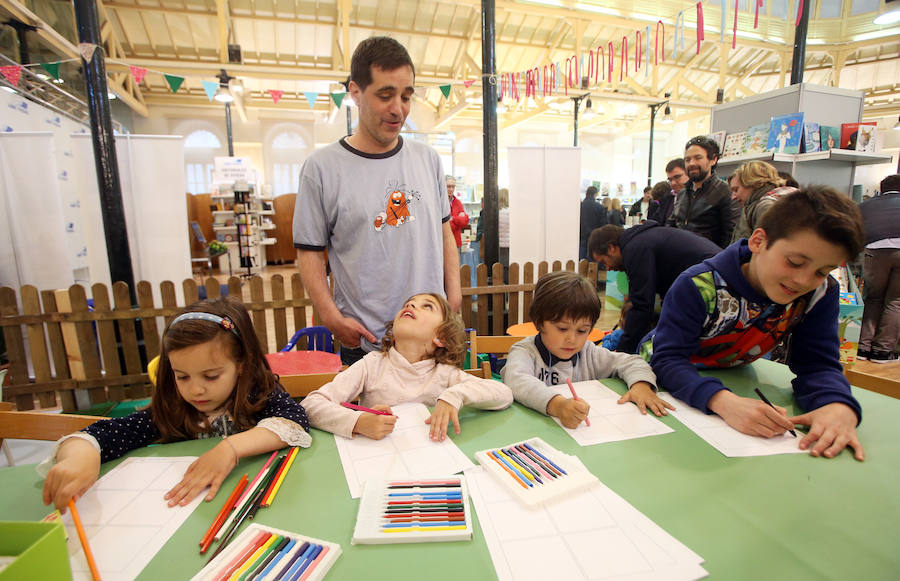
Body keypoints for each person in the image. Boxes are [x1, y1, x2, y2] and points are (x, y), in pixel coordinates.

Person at [644, 187, 866, 461]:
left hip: (735, 371)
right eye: (795, 262)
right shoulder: (698, 285)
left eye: (822, 271)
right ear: (759, 241)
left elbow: (818, 363)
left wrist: (836, 403)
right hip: (661, 375)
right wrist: (722, 401)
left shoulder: (821, 293)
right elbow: (667, 360)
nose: (803, 281)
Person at [41, 297, 312, 511]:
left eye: (211, 375)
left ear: (242, 365)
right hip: (190, 514)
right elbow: (101, 435)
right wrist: (80, 457)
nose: (195, 389)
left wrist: (230, 448)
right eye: (182, 376)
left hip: (255, 503)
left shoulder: (257, 393)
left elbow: (294, 420)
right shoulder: (171, 410)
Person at [293, 37, 461, 367]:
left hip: (431, 338)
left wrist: (453, 294)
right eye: (385, 95)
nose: (398, 108)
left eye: (406, 96)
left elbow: (444, 233)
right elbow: (309, 252)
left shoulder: (428, 159)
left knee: (435, 418)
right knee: (376, 420)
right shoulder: (322, 168)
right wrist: (331, 316)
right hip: (366, 341)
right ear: (355, 92)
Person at [303, 293, 513, 441]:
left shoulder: (445, 373)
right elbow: (310, 405)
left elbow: (503, 394)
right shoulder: (371, 365)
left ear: (441, 337)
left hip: (431, 461)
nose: (411, 306)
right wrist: (358, 421)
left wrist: (455, 396)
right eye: (410, 303)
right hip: (377, 462)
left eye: (427, 306)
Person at [501, 271, 673, 428]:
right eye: (562, 328)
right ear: (539, 322)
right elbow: (517, 379)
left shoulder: (589, 353)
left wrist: (641, 385)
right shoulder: (525, 351)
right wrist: (558, 405)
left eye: (582, 331)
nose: (572, 339)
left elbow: (631, 361)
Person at [588, 223, 720, 354]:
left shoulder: (635, 248)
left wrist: (623, 354)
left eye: (604, 262)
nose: (608, 268)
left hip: (713, 279)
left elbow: (641, 305)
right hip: (716, 272)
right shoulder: (644, 239)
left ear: (611, 248)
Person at [857, 174, 900, 364]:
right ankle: (882, 352)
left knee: (873, 297)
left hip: (873, 250)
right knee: (896, 301)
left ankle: (862, 346)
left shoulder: (866, 205)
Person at [668, 136, 740, 248]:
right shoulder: (683, 193)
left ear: (713, 160)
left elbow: (731, 236)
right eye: (687, 160)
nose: (691, 163)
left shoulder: (725, 192)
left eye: (698, 158)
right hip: (680, 258)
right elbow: (672, 226)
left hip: (708, 260)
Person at [729, 161, 797, 243]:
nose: (733, 197)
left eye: (736, 190)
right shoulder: (786, 197)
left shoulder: (765, 207)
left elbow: (767, 248)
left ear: (753, 183)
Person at [579, 186, 608, 260]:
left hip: (581, 237)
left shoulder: (579, 206)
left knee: (580, 263)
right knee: (593, 264)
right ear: (595, 194)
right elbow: (603, 225)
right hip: (595, 238)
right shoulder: (599, 207)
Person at [446, 175, 470, 259]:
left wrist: (453, 218)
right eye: (448, 186)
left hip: (456, 243)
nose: (451, 189)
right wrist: (458, 219)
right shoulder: (439, 203)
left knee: (456, 270)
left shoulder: (457, 202)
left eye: (453, 186)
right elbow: (446, 226)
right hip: (444, 244)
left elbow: (465, 221)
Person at [498, 187, 510, 275]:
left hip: (500, 245)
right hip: (510, 244)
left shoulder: (498, 213)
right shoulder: (512, 212)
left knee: (501, 267)